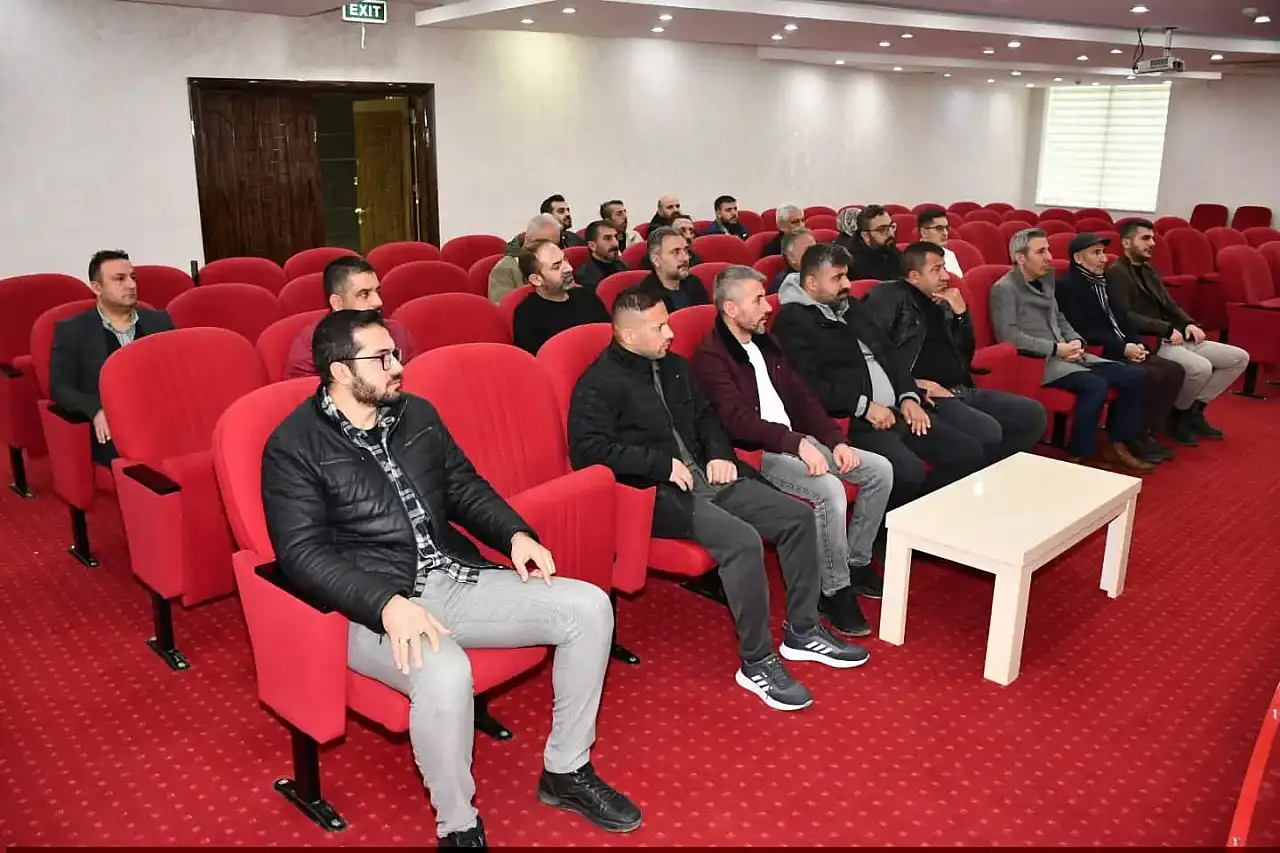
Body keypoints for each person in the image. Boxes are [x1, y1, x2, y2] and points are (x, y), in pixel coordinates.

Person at [261, 310, 641, 847]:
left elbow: (463, 486)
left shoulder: (415, 414)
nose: (398, 367)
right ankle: (458, 825)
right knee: (445, 674)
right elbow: (302, 555)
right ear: (341, 372)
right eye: (382, 358)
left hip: (451, 576)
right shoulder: (293, 446)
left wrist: (515, 534)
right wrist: (386, 604)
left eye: (396, 354)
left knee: (589, 607)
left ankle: (566, 770)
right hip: (366, 607)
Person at [568, 285, 870, 713]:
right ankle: (757, 662)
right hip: (654, 493)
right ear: (628, 335)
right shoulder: (598, 384)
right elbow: (590, 451)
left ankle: (802, 631)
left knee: (797, 519)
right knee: (742, 542)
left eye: (668, 323)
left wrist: (718, 454)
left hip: (708, 476)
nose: (670, 333)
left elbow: (708, 418)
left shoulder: (674, 366)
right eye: (659, 327)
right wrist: (659, 464)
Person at [692, 266, 894, 638]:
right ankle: (832, 590)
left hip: (796, 440)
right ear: (731, 309)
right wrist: (795, 443)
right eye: (758, 300)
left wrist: (834, 440)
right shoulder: (711, 356)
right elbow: (737, 421)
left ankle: (856, 561)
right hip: (758, 454)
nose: (768, 306)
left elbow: (801, 397)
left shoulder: (765, 341)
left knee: (880, 470)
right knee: (829, 491)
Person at [772, 243, 987, 510]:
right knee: (908, 471)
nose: (847, 284)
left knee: (968, 451)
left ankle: (930, 517)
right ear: (812, 283)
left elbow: (890, 355)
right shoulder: (792, 322)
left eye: (846, 275)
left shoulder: (851, 307)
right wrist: (864, 406)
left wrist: (908, 396)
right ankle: (892, 528)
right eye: (837, 278)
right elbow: (808, 385)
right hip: (854, 420)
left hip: (897, 409)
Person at [863, 241, 1047, 465]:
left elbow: (964, 355)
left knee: (1033, 415)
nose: (946, 276)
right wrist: (913, 385)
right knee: (987, 431)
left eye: (944, 267)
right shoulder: (889, 296)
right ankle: (979, 474)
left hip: (960, 388)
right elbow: (873, 351)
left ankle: (990, 472)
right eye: (936, 270)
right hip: (926, 395)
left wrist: (961, 315)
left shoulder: (941, 302)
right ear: (914, 277)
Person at [989, 228, 1153, 472]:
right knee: (1094, 385)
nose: (1049, 257)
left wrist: (1076, 340)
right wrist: (1056, 348)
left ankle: (1117, 443)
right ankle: (1079, 455)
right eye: (1041, 252)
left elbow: (1059, 317)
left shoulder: (1046, 279)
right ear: (1021, 258)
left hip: (1069, 354)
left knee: (1134, 375)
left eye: (1048, 250)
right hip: (1038, 362)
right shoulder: (1004, 288)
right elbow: (1009, 336)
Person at [1106, 218, 1249, 443]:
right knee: (1201, 368)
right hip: (1152, 340)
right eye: (1145, 238)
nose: (1152, 243)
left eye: (1153, 238)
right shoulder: (1117, 273)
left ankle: (1192, 412)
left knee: (1238, 358)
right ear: (1126, 242)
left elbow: (1169, 305)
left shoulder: (1149, 270)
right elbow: (1125, 316)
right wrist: (1166, 329)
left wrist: (1188, 323)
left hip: (1175, 336)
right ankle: (1175, 416)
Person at [1056, 232, 1185, 461]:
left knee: (1173, 370)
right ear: (1078, 258)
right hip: (1100, 349)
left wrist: (1137, 343)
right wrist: (1123, 348)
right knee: (1148, 374)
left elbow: (1123, 319)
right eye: (1096, 253)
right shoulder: (1067, 287)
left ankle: (1145, 431)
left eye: (1104, 252)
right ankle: (1126, 438)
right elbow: (1083, 331)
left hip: (1123, 345)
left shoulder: (1106, 282)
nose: (1103, 258)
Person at [49, 249, 174, 466]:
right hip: (112, 423)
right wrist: (95, 409)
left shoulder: (159, 322)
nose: (131, 285)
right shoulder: (74, 331)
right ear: (97, 288)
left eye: (133, 277)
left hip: (163, 415)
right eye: (119, 279)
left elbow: (179, 372)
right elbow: (60, 387)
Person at [283, 256, 415, 380]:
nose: (378, 302)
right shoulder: (311, 347)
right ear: (337, 303)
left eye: (378, 292)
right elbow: (307, 392)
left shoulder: (397, 332)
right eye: (364, 294)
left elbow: (413, 382)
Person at [512, 240, 609, 355]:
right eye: (556, 266)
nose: (569, 268)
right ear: (536, 279)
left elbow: (610, 334)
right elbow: (535, 361)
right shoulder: (526, 316)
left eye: (565, 260)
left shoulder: (586, 295)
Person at [490, 214, 562, 303]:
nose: (554, 250)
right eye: (548, 245)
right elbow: (504, 307)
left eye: (557, 245)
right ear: (529, 242)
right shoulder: (504, 270)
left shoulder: (560, 266)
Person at [637, 226, 710, 312]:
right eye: (676, 252)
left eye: (686, 250)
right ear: (656, 261)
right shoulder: (646, 296)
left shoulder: (694, 283)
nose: (685, 258)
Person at [846, 205, 904, 282]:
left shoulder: (889, 248)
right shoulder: (852, 264)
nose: (891, 233)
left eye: (892, 226)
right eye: (882, 229)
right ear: (866, 236)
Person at [572, 220, 628, 294]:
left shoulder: (621, 265)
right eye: (608, 238)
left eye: (616, 237)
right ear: (592, 246)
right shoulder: (585, 278)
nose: (615, 243)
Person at [914, 206, 964, 276]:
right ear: (924, 232)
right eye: (939, 228)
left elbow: (958, 280)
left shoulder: (949, 255)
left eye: (946, 228)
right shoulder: (912, 257)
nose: (945, 233)